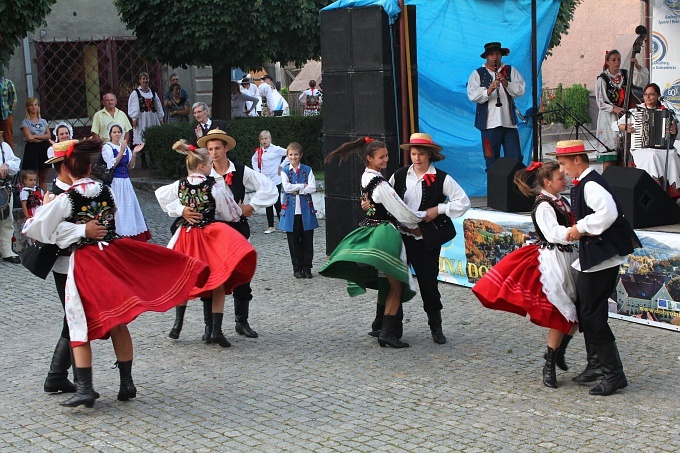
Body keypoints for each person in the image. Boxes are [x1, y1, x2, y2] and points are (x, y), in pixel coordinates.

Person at [23, 137, 209, 408]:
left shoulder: (65, 198)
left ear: (67, 167)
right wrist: (83, 229)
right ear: (89, 168)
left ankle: (83, 387)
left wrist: (71, 229)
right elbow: (110, 220)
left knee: (77, 320)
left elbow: (38, 229)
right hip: (108, 258)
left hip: (81, 264)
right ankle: (124, 382)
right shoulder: (106, 191)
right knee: (117, 318)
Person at [472, 160, 580, 388]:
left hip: (568, 256)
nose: (565, 180)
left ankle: (558, 352)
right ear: (547, 182)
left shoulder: (562, 202)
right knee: (561, 313)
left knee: (576, 314)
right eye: (560, 178)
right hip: (554, 260)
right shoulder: (543, 206)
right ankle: (549, 363)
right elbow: (553, 233)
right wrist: (577, 232)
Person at [164, 129, 278, 343]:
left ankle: (241, 321)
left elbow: (270, 187)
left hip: (234, 231)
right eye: (210, 149)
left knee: (242, 276)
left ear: (226, 148)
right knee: (212, 276)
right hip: (209, 234)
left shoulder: (241, 171)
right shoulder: (201, 175)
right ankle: (211, 327)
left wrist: (251, 206)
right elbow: (175, 194)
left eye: (217, 148)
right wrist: (183, 211)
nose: (214, 153)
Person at [553, 139, 642, 396]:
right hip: (596, 255)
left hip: (602, 256)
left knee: (592, 314)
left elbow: (608, 213)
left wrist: (580, 228)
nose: (563, 170)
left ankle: (614, 374)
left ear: (578, 160)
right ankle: (597, 365)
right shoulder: (586, 183)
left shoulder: (591, 184)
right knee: (588, 309)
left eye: (564, 164)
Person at [320, 137, 427, 349]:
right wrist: (420, 219)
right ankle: (387, 332)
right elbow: (400, 210)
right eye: (381, 157)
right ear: (369, 158)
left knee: (388, 282)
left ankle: (380, 325)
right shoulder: (380, 185)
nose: (386, 159)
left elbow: (375, 205)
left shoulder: (366, 177)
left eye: (386, 155)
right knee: (397, 284)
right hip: (385, 233)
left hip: (372, 228)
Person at [386, 133, 470, 345]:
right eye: (413, 154)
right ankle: (393, 329)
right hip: (400, 238)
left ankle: (436, 326)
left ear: (429, 155)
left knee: (428, 284)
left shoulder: (442, 178)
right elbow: (386, 198)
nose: (416, 158)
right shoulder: (399, 175)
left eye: (421, 154)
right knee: (396, 282)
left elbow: (463, 202)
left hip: (425, 240)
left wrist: (440, 208)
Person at [40, 142, 79, 394]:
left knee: (75, 316)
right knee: (74, 316)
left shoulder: (70, 191)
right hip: (66, 264)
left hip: (79, 263)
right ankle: (60, 376)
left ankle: (60, 376)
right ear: (65, 167)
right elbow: (52, 234)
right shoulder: (57, 195)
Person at [467, 42, 526, 171]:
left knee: (515, 160)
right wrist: (488, 90)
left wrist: (506, 83)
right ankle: (495, 191)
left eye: (497, 54)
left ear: (501, 55)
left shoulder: (510, 71)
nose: (495, 57)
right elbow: (472, 96)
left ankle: (515, 190)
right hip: (488, 126)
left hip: (509, 124)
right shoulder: (478, 74)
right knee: (491, 160)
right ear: (487, 56)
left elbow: (520, 91)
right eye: (492, 54)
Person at [617, 83, 679, 196]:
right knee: (651, 155)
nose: (648, 97)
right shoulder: (635, 111)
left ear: (658, 96)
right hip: (641, 147)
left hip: (662, 148)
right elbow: (615, 125)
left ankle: (672, 191)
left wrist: (674, 130)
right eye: (645, 94)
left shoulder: (666, 111)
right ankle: (654, 187)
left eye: (651, 94)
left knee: (672, 155)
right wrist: (625, 127)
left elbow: (675, 130)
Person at [595, 49, 649, 170]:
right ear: (607, 62)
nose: (617, 62)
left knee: (625, 152)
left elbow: (642, 82)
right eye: (613, 60)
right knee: (609, 155)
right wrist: (615, 109)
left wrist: (637, 66)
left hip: (625, 116)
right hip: (609, 118)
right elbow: (600, 102)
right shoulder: (602, 79)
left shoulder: (626, 74)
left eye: (618, 59)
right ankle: (607, 182)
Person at [101, 122, 151, 241]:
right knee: (118, 207)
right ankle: (118, 232)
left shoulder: (125, 147)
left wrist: (133, 153)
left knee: (128, 206)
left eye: (119, 132)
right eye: (114, 132)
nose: (117, 134)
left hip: (126, 182)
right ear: (110, 134)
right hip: (115, 182)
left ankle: (130, 233)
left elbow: (130, 166)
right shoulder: (107, 147)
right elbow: (111, 165)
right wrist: (120, 151)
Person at [279, 142, 318, 278]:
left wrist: (296, 189)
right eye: (291, 155)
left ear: (300, 155)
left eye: (296, 154)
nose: (293, 157)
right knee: (294, 241)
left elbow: (312, 187)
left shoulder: (307, 170)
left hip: (306, 210)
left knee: (307, 240)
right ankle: (297, 268)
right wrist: (302, 186)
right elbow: (286, 187)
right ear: (287, 155)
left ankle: (307, 267)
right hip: (291, 211)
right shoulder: (284, 171)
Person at [252, 130, 289, 234]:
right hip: (265, 180)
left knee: (276, 202)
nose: (264, 141)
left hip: (275, 179)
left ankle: (283, 224)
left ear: (270, 139)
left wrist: (281, 166)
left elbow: (288, 154)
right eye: (262, 139)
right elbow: (254, 160)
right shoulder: (259, 151)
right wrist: (257, 171)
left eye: (266, 138)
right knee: (268, 202)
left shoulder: (276, 149)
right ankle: (270, 226)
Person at [128, 72, 164, 169]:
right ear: (140, 80)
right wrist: (134, 118)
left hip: (152, 117)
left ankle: (152, 159)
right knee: (142, 137)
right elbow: (134, 106)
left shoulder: (152, 92)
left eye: (146, 79)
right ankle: (143, 160)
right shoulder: (136, 93)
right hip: (142, 118)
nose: (145, 81)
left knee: (152, 137)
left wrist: (161, 118)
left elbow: (158, 105)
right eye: (143, 79)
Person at [20, 97, 51, 191]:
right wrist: (41, 136)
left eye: (35, 105)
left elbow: (48, 135)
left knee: (43, 177)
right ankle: (33, 199)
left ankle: (44, 199)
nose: (34, 107)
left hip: (44, 149)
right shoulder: (25, 122)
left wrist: (35, 136)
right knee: (34, 177)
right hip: (32, 150)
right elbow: (29, 138)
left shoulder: (43, 121)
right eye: (31, 105)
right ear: (27, 107)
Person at [0, 131, 21, 263]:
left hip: (3, 189)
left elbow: (16, 163)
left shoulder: (4, 147)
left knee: (7, 220)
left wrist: (6, 165)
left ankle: (7, 251)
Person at [0, 75, 16, 149]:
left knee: (8, 137)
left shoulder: (8, 83)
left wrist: (9, 111)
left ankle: (11, 158)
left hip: (5, 114)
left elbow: (13, 98)